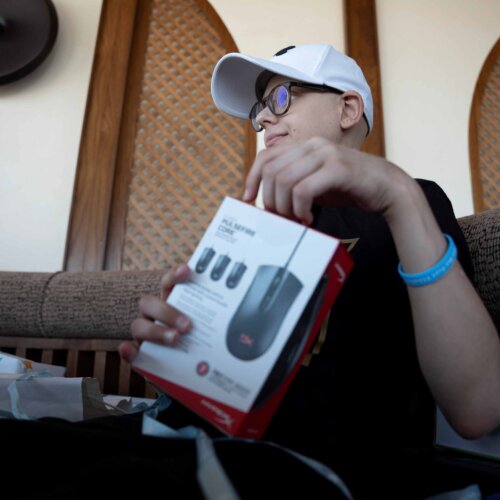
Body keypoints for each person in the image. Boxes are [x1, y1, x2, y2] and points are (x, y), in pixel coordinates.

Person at [119, 44, 500, 496]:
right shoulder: (259, 231)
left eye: (281, 98)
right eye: (259, 111)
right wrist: (179, 346)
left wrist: (398, 192)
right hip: (185, 441)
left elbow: (478, 409)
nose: (263, 119)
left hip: (313, 471)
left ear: (347, 109)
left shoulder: (408, 202)